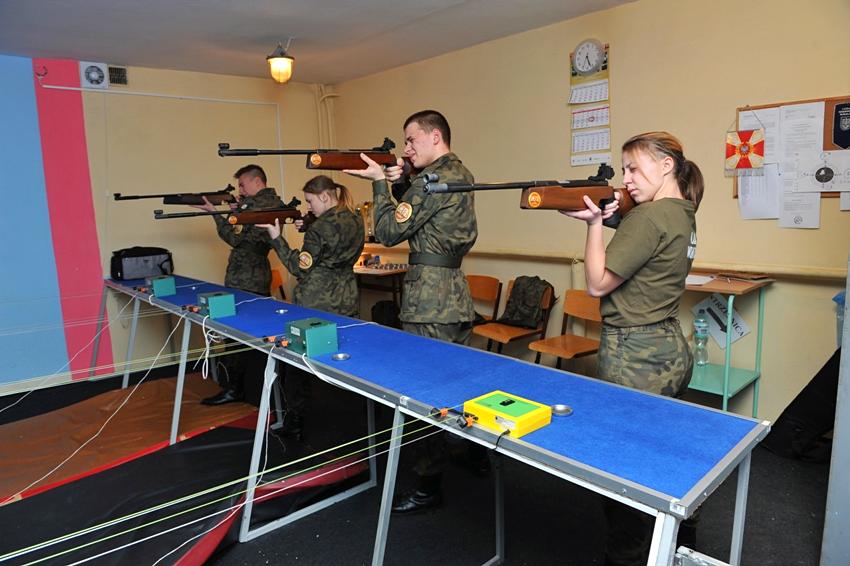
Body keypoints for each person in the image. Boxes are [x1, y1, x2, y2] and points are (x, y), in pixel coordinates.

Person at [562, 131, 703, 566]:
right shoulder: (683, 211)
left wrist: (591, 228)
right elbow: (647, 243)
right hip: (670, 346)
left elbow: (597, 282)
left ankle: (625, 556)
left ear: (666, 165)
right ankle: (681, 540)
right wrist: (607, 216)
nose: (626, 179)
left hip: (634, 354)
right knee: (667, 453)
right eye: (623, 170)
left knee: (624, 465)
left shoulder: (647, 217)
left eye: (633, 168)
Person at [344, 109, 479, 514]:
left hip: (429, 303)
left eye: (411, 140)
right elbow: (424, 219)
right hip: (452, 295)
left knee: (424, 395)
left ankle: (426, 484)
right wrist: (401, 181)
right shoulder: (457, 173)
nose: (406, 149)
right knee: (457, 386)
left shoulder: (433, 180)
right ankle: (471, 455)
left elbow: (387, 231)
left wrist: (379, 188)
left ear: (435, 137)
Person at [260, 175, 365, 437]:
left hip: (317, 299)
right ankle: (353, 417)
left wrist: (277, 238)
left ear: (325, 196)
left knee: (299, 361)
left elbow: (299, 266)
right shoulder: (354, 218)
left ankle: (295, 421)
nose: (309, 207)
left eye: (310, 201)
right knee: (345, 356)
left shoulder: (320, 228)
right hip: (346, 294)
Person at [194, 164, 284, 406]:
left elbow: (234, 238)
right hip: (256, 276)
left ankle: (234, 389)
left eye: (243, 184)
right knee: (256, 334)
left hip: (244, 278)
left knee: (234, 335)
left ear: (257, 182)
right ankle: (263, 390)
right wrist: (238, 211)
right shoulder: (272, 202)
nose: (240, 190)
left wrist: (214, 212)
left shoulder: (254, 207)